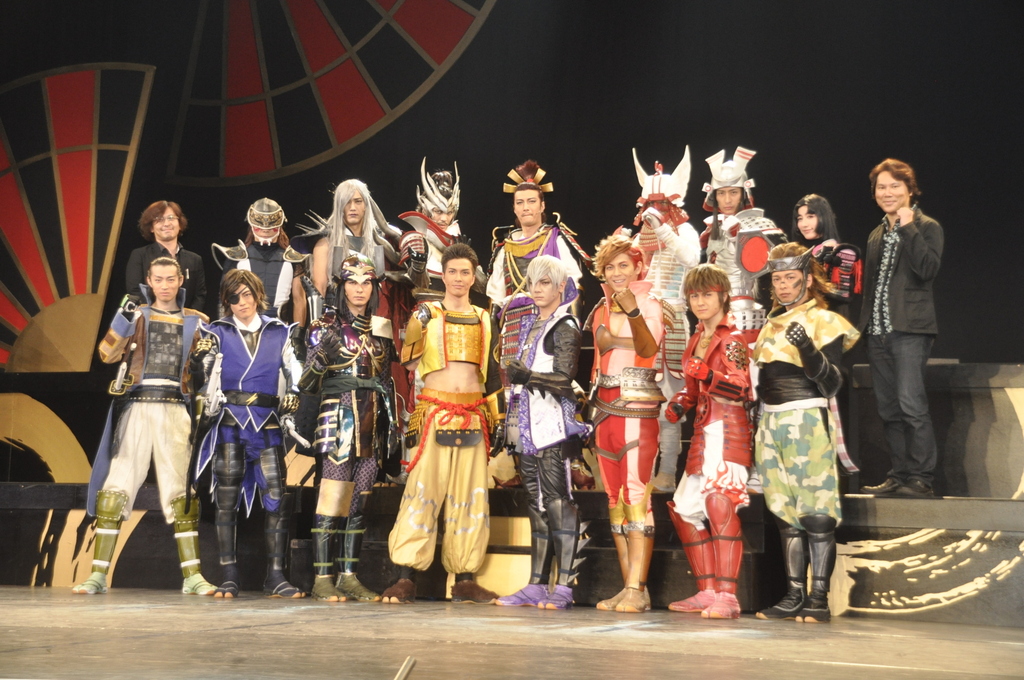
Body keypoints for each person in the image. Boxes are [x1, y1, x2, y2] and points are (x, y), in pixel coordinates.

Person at [73, 256, 215, 595]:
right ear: (149, 281)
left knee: (182, 494)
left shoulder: (198, 322)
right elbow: (107, 354)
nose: (165, 285)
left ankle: (193, 576)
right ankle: (97, 575)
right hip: (137, 405)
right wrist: (123, 319)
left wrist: (202, 364)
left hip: (175, 408)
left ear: (181, 280)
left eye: (171, 279)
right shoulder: (135, 316)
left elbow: (208, 373)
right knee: (115, 490)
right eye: (159, 279)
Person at [381, 243, 504, 604]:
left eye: (465, 272)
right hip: (434, 412)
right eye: (453, 272)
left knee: (471, 495)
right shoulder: (427, 314)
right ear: (443, 275)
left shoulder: (485, 318)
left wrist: (498, 419)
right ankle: (405, 577)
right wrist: (415, 326)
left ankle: (464, 579)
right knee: (423, 492)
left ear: (473, 276)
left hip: (474, 414)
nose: (459, 278)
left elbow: (492, 373)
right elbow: (406, 361)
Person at [753, 243, 859, 623]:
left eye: (790, 278)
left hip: (807, 420)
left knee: (816, 514)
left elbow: (832, 384)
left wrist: (808, 349)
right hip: (771, 422)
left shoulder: (825, 321)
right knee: (785, 515)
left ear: (808, 279)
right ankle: (793, 594)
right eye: (777, 279)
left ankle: (819, 597)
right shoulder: (769, 325)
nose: (782, 285)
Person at [194, 269, 304, 598]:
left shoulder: (279, 331)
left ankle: (276, 575)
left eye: (247, 294)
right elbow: (204, 377)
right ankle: (229, 574)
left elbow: (294, 367)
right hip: (229, 420)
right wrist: (199, 361)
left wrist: (295, 390)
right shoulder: (216, 332)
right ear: (226, 301)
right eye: (234, 297)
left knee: (277, 498)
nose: (242, 302)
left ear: (257, 295)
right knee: (225, 498)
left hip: (267, 421)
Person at [300, 254, 398, 602]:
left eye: (366, 282)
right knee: (333, 498)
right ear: (342, 287)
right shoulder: (323, 326)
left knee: (360, 502)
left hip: (372, 421)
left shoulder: (382, 328)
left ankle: (348, 576)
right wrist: (321, 360)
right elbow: (306, 384)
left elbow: (385, 380)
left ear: (374, 287)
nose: (360, 289)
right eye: (353, 282)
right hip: (336, 417)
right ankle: (322, 578)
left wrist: (392, 425)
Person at [494, 256, 589, 610]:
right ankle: (536, 584)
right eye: (533, 282)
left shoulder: (565, 325)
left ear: (560, 286)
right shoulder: (532, 324)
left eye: (545, 282)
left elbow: (565, 380)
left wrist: (528, 377)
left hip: (552, 427)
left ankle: (563, 587)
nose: (536, 288)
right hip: (526, 426)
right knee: (536, 505)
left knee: (558, 503)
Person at [664, 264, 752, 619]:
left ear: (723, 296)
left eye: (707, 294)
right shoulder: (698, 337)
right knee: (685, 509)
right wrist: (680, 402)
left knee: (719, 504)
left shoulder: (732, 339)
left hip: (728, 429)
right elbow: (692, 388)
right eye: (695, 296)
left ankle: (728, 597)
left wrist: (710, 375)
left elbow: (742, 388)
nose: (700, 302)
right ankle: (707, 591)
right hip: (703, 432)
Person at [585, 234, 664, 613]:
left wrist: (632, 313)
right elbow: (597, 361)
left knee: (637, 495)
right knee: (614, 499)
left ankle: (637, 586)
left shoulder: (651, 305)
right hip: (604, 408)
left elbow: (648, 348)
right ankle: (629, 586)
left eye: (623, 265)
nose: (616, 273)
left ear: (638, 268)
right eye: (610, 267)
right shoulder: (600, 309)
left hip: (637, 408)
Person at [858, 160, 944, 498]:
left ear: (910, 189)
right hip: (877, 332)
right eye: (881, 187)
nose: (887, 192)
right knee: (888, 410)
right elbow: (872, 286)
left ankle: (921, 478)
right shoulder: (876, 233)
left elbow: (927, 270)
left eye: (895, 186)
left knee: (911, 405)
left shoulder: (927, 227)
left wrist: (908, 227)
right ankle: (900, 473)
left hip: (909, 330)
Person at [627, 147, 701, 492]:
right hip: (642, 321)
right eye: (650, 205)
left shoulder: (685, 232)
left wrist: (665, 232)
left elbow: (692, 259)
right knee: (639, 401)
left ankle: (668, 471)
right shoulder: (640, 237)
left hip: (672, 320)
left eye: (660, 204)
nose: (653, 211)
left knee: (670, 404)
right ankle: (641, 471)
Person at [487, 160, 591, 317]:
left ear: (542, 206)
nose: (526, 207)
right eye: (520, 203)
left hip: (549, 320)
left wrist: (568, 325)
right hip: (512, 324)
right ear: (514, 208)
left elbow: (573, 286)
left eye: (532, 201)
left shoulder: (556, 241)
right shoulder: (505, 249)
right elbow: (496, 297)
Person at [398, 158, 486, 298]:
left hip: (459, 305)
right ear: (425, 209)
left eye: (449, 212)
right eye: (438, 211)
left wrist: (466, 259)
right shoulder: (415, 240)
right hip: (427, 306)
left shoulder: (458, 241)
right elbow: (416, 283)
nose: (444, 218)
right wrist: (418, 267)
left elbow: (482, 286)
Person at [211, 198, 306, 321]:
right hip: (243, 324)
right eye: (260, 227)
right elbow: (224, 297)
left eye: (271, 227)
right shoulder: (236, 257)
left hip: (279, 325)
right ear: (252, 226)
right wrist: (224, 326)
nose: (265, 231)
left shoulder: (293, 259)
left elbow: (299, 300)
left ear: (279, 226)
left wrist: (298, 331)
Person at [125, 201, 206, 313]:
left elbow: (200, 295)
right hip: (150, 319)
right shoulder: (139, 255)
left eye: (171, 218)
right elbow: (135, 291)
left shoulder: (195, 259)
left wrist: (187, 317)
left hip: (185, 320)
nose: (166, 223)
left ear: (180, 224)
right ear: (151, 227)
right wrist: (157, 315)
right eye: (159, 219)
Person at [791, 194, 862, 315]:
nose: (804, 224)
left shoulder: (839, 253)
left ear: (824, 217)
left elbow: (842, 298)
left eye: (810, 216)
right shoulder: (796, 252)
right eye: (800, 218)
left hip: (826, 319)